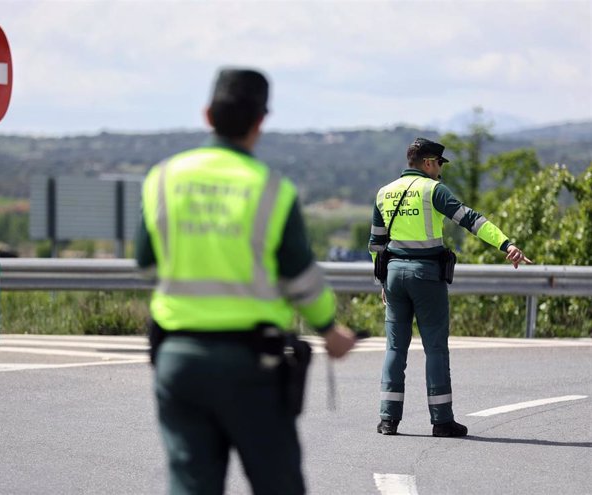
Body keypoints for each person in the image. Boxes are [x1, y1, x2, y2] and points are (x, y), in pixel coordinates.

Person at [136, 67, 356, 495]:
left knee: (190, 484)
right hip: (252, 365)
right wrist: (330, 329)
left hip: (178, 359)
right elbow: (300, 278)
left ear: (207, 115)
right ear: (260, 121)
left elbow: (146, 264)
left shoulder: (163, 178)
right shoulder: (272, 189)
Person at [368, 137, 532, 437]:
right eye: (439, 164)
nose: (440, 171)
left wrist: (382, 282)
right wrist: (506, 244)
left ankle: (388, 420)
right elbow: (470, 219)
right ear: (429, 162)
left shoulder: (384, 193)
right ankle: (441, 421)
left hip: (393, 276)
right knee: (435, 349)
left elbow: (376, 245)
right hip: (426, 276)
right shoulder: (433, 190)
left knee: (394, 348)